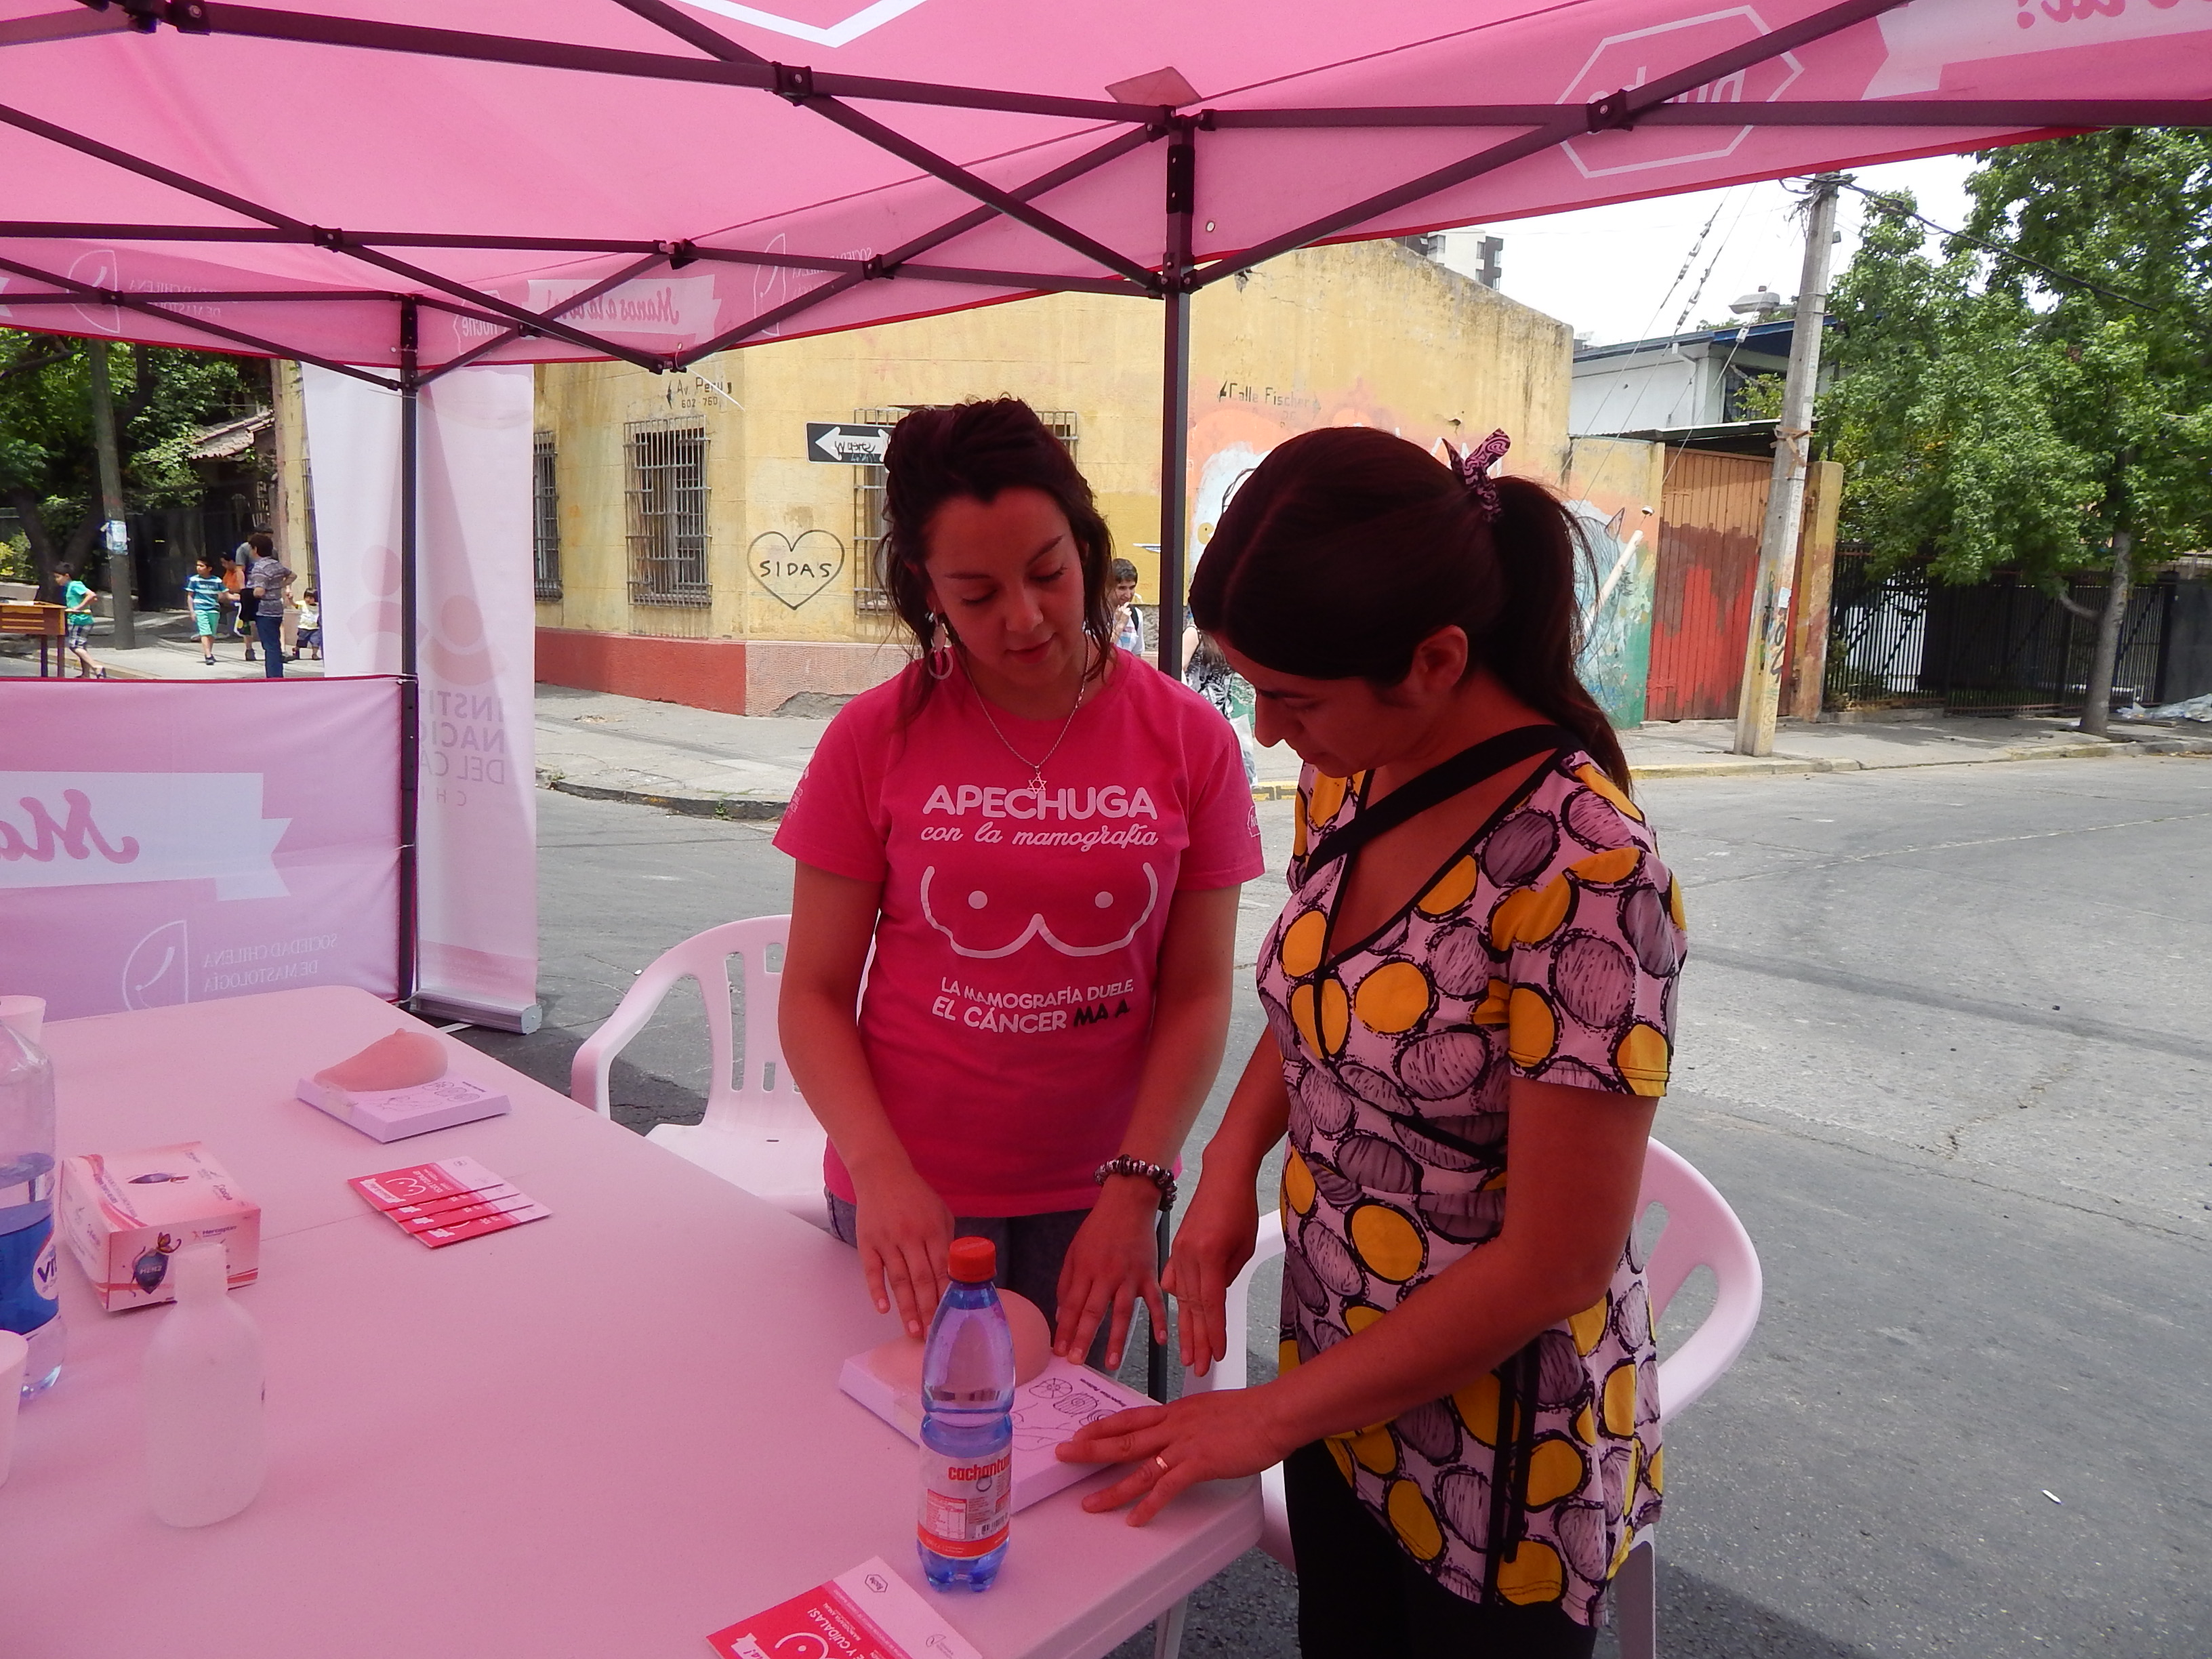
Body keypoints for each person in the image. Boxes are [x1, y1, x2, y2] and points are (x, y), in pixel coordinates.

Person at [1059, 426, 1686, 1659]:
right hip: (1337, 1361)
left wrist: (1264, 1414)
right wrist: (1228, 1164)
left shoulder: (1588, 870)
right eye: (1254, 690)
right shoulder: (1356, 773)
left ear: (1435, 657)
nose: (1271, 731)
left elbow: (1556, 1261)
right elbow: (1313, 1002)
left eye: (1290, 697)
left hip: (1495, 1446)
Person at [774, 398, 1264, 1372]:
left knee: (1067, 1476)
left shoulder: (1189, 739)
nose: (1026, 617)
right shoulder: (875, 737)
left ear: (1087, 546)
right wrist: (878, 1170)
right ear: (925, 590)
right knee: (902, 1459)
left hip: (1101, 1198)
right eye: (977, 591)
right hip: (907, 1191)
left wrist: (1137, 1183)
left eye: (1048, 572)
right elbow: (815, 993)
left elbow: (1200, 990)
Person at [243, 532, 292, 678]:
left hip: (264, 610)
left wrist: (244, 594)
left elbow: (259, 591)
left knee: (270, 646)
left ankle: (274, 676)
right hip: (277, 608)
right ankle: (277, 673)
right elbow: (292, 575)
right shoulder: (276, 564)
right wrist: (279, 586)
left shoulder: (259, 568)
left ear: (256, 549)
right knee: (275, 643)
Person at [55, 562, 104, 678]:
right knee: (81, 647)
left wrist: (78, 608)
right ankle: (86, 674)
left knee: (75, 646)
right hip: (78, 619)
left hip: (79, 620)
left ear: (66, 576)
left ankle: (96, 667)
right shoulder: (71, 587)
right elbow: (93, 599)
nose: (57, 580)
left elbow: (91, 595)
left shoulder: (74, 585)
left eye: (58, 577)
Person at [184, 556, 226, 666]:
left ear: (209, 568)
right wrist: (192, 611)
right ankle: (208, 655)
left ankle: (209, 653)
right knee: (205, 632)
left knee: (212, 634)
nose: (198, 568)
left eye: (202, 566)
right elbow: (190, 596)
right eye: (198, 565)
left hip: (214, 609)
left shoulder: (216, 580)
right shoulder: (194, 580)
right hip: (200, 609)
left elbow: (224, 594)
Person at [1111, 556, 1145, 657]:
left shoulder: (1136, 615)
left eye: (1132, 588)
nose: (1128, 595)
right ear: (1107, 587)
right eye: (1122, 588)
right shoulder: (1094, 616)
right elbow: (1099, 657)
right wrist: (1119, 625)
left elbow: (1137, 656)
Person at [293, 589, 321, 661]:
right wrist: (290, 600)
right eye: (307, 597)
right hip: (304, 627)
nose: (308, 599)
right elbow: (295, 605)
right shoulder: (303, 604)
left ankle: (314, 654)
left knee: (316, 642)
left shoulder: (319, 606)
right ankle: (296, 650)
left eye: (311, 598)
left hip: (315, 628)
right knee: (301, 641)